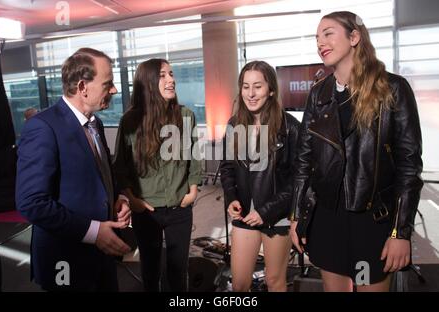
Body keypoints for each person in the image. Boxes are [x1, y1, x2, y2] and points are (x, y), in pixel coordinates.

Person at [290, 11, 423, 292]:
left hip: (369, 223)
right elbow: (304, 160)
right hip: (327, 220)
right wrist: (296, 217)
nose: (320, 42)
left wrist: (400, 231)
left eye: (328, 33)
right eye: (317, 37)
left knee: (365, 285)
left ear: (354, 37)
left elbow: (409, 167)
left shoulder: (393, 89)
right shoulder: (318, 94)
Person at [16, 48, 132, 291]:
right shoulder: (42, 127)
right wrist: (94, 232)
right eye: (108, 83)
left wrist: (117, 198)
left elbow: (101, 174)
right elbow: (31, 202)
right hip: (65, 262)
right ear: (82, 87)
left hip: (102, 258)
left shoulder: (95, 123)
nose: (114, 90)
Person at [113, 58, 202, 292]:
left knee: (178, 271)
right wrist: (133, 200)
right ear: (148, 82)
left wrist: (192, 191)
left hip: (180, 208)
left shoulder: (186, 116)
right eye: (163, 75)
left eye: (171, 74)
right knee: (150, 271)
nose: (171, 79)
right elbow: (121, 166)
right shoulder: (130, 120)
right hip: (147, 210)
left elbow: (194, 156)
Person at [220, 61, 299, 292]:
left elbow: (298, 180)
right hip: (244, 213)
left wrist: (265, 211)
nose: (251, 94)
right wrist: (232, 197)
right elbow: (227, 168)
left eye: (258, 86)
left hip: (277, 216)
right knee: (239, 285)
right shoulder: (234, 124)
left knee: (274, 282)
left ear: (271, 89)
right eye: (245, 87)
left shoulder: (290, 127)